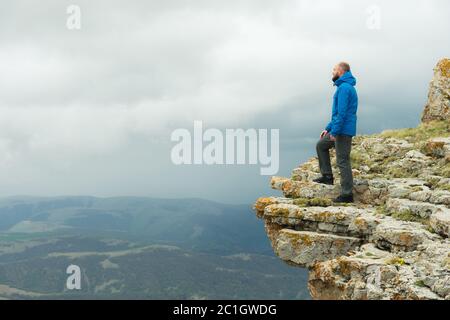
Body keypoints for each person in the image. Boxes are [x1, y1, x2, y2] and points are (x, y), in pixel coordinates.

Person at [314, 62, 358, 203]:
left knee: (342, 160)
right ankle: (327, 176)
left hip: (343, 131)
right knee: (321, 145)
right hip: (338, 128)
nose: (332, 72)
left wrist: (335, 131)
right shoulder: (342, 87)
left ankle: (347, 194)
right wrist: (328, 128)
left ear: (341, 71)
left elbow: (342, 113)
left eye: (334, 70)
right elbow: (337, 114)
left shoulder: (345, 88)